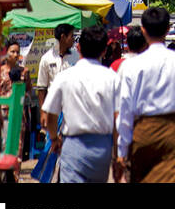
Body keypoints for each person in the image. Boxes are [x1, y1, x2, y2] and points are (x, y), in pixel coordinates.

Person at [115, 6, 175, 184]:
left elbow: (124, 110)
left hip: (141, 131)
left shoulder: (131, 66)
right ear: (167, 29)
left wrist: (121, 151)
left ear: (143, 30)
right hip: (170, 130)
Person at [42, 24, 118, 184]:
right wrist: (117, 155)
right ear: (104, 51)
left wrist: (54, 138)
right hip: (102, 148)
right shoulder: (111, 77)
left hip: (73, 145)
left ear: (79, 47)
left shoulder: (65, 77)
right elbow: (118, 119)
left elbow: (51, 114)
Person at [36, 23, 76, 111]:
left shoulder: (76, 57)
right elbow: (42, 88)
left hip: (72, 106)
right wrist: (43, 112)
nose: (73, 39)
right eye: (71, 36)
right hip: (54, 107)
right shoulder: (46, 58)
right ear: (63, 37)